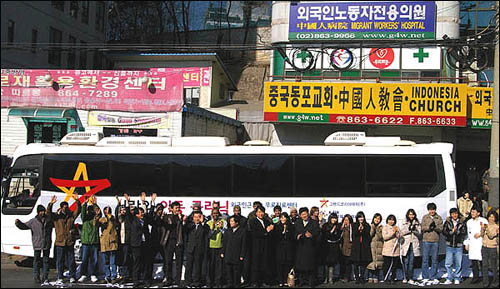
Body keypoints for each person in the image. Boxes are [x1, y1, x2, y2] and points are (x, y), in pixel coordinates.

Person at [15, 204, 53, 285]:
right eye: (41, 211)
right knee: (36, 261)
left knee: (46, 261)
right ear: (38, 212)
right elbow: (24, 226)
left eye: (43, 211)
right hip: (37, 244)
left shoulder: (48, 220)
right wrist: (18, 223)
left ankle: (45, 277)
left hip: (46, 243)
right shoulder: (33, 221)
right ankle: (37, 277)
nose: (42, 213)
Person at [48, 193, 81, 286]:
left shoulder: (70, 216)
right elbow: (49, 214)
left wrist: (77, 201)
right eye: (64, 207)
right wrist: (51, 204)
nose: (66, 209)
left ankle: (72, 276)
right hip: (60, 242)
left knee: (71, 260)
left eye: (67, 207)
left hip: (69, 241)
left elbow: (78, 211)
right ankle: (60, 277)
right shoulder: (56, 217)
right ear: (61, 208)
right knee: (60, 261)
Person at [125, 193, 152, 287]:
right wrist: (128, 202)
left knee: (145, 262)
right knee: (136, 263)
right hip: (136, 245)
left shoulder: (144, 220)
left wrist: (145, 202)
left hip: (145, 244)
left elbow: (150, 213)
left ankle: (146, 280)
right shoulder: (133, 220)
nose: (143, 214)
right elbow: (128, 213)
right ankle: (135, 280)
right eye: (141, 213)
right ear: (137, 214)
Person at [161, 201, 187, 287]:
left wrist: (182, 221)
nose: (177, 209)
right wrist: (161, 217)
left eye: (178, 208)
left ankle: (178, 280)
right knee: (168, 261)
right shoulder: (167, 217)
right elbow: (166, 226)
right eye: (176, 208)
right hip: (169, 241)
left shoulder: (182, 217)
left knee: (179, 262)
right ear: (171, 209)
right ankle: (169, 279)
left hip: (179, 241)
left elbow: (186, 229)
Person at [295, 207, 320, 288]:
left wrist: (312, 235)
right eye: (302, 214)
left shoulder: (314, 222)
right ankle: (302, 281)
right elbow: (295, 232)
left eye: (305, 214)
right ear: (300, 215)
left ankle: (311, 282)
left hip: (310, 247)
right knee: (301, 266)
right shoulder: (298, 222)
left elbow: (317, 233)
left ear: (308, 214)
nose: (304, 216)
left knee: (311, 266)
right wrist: (297, 236)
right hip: (301, 247)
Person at [79, 196, 102, 283]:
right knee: (84, 259)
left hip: (94, 242)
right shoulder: (85, 220)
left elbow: (99, 213)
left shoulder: (95, 220)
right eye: (89, 210)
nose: (90, 212)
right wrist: (85, 204)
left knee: (94, 260)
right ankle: (83, 274)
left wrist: (94, 204)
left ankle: (93, 274)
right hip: (86, 242)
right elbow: (83, 214)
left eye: (91, 210)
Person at [420, 202, 444, 286]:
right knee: (425, 260)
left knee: (434, 260)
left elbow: (441, 229)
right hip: (426, 240)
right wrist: (429, 227)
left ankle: (433, 277)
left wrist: (435, 228)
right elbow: (422, 227)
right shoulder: (425, 217)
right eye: (430, 210)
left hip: (435, 241)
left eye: (433, 209)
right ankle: (425, 277)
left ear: (435, 210)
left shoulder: (439, 218)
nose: (432, 211)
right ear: (428, 210)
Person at [248, 205, 272, 287]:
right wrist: (266, 231)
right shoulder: (252, 221)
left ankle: (264, 281)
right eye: (259, 212)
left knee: (264, 263)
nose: (260, 214)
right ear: (256, 213)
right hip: (256, 246)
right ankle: (255, 282)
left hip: (265, 246)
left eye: (262, 212)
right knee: (255, 264)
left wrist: (271, 228)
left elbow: (271, 232)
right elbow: (254, 233)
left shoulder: (267, 221)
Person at [442, 207, 467, 285]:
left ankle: (457, 277)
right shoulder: (447, 222)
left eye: (456, 213)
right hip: (449, 245)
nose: (454, 215)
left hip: (458, 245)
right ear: (451, 215)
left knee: (458, 263)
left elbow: (464, 232)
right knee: (448, 263)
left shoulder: (462, 222)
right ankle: (449, 277)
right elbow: (444, 231)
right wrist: (451, 232)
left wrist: (457, 231)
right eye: (453, 214)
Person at [222, 215, 247, 288]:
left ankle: (237, 284)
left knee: (237, 271)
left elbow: (244, 244)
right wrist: (222, 252)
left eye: (232, 221)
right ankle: (230, 284)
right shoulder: (228, 231)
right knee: (229, 270)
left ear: (237, 222)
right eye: (230, 221)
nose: (231, 223)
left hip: (237, 254)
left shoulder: (242, 231)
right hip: (228, 253)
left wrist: (242, 255)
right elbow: (225, 242)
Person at [184, 211, 208, 288]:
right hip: (190, 248)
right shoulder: (190, 225)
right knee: (189, 266)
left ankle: (196, 281)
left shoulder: (204, 226)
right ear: (193, 218)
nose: (197, 219)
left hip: (199, 248)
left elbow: (207, 232)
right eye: (195, 217)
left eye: (198, 217)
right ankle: (187, 281)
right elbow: (185, 229)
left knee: (198, 266)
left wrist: (202, 223)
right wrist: (184, 221)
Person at [465, 205, 488, 284]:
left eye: (474, 212)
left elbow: (487, 231)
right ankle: (475, 277)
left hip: (481, 243)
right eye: (472, 212)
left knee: (482, 262)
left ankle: (485, 278)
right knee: (474, 262)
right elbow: (468, 234)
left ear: (478, 213)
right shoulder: (469, 222)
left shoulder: (484, 220)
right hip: (472, 244)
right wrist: (467, 243)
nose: (472, 213)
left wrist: (480, 234)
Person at [399, 209, 421, 285]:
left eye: (413, 214)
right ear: (407, 215)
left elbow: (420, 233)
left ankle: (410, 277)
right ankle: (405, 277)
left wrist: (414, 230)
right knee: (406, 261)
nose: (411, 216)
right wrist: (409, 230)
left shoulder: (417, 222)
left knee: (411, 262)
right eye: (410, 214)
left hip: (414, 244)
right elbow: (401, 232)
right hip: (406, 243)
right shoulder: (404, 222)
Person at [274, 212, 295, 287]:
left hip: (288, 248)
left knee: (287, 264)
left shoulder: (291, 226)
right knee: (280, 264)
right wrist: (283, 231)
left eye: (284, 217)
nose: (283, 219)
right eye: (281, 217)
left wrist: (286, 231)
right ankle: (280, 280)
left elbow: (292, 237)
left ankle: (286, 280)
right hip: (279, 248)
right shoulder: (276, 226)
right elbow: (276, 237)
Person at [99, 205, 119, 284]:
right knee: (105, 262)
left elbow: (114, 222)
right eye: (106, 210)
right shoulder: (102, 219)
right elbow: (100, 223)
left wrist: (110, 215)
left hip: (112, 242)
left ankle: (114, 276)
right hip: (104, 243)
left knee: (113, 262)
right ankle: (107, 276)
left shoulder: (113, 219)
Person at [207, 208, 226, 288]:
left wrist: (221, 228)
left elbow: (226, 234)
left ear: (219, 214)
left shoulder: (223, 222)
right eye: (214, 213)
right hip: (210, 247)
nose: (215, 215)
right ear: (211, 214)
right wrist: (212, 228)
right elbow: (208, 236)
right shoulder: (208, 223)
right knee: (210, 266)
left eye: (217, 213)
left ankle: (218, 282)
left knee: (219, 267)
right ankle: (210, 283)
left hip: (219, 247)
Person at [115, 194, 132, 283]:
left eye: (124, 210)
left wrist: (128, 202)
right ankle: (120, 275)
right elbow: (116, 213)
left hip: (125, 241)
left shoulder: (127, 219)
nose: (123, 211)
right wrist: (118, 204)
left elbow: (128, 212)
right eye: (121, 210)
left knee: (125, 259)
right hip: (119, 242)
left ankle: (125, 275)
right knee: (119, 258)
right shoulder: (118, 220)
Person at [350, 211, 371, 284]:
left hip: (364, 247)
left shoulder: (367, 225)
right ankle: (357, 278)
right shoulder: (354, 225)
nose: (361, 219)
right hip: (356, 247)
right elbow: (353, 235)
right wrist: (358, 230)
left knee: (363, 263)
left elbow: (368, 236)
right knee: (356, 263)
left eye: (362, 217)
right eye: (359, 217)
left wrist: (363, 230)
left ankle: (362, 277)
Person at [322, 213, 342, 285]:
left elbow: (339, 236)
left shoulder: (338, 226)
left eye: (335, 218)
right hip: (327, 246)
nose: (334, 220)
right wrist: (331, 231)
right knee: (326, 263)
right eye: (333, 218)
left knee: (332, 263)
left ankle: (331, 278)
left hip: (334, 246)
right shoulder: (325, 225)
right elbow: (324, 235)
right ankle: (325, 278)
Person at [481, 210, 499, 288]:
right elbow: (482, 235)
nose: (491, 219)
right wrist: (482, 229)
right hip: (484, 247)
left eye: (493, 217)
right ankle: (485, 283)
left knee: (493, 266)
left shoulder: (497, 227)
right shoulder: (485, 225)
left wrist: (486, 229)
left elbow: (491, 236)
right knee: (484, 265)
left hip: (492, 248)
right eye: (490, 217)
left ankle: (495, 282)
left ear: (495, 218)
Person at [382, 215, 401, 284]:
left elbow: (400, 236)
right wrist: (393, 232)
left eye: (392, 220)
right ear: (387, 220)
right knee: (387, 265)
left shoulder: (396, 227)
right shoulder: (385, 227)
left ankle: (393, 278)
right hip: (387, 250)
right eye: (390, 220)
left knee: (394, 266)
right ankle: (386, 278)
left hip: (395, 249)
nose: (391, 221)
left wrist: (397, 232)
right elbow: (385, 237)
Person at [367, 213, 384, 284]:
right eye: (376, 218)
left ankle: (376, 276)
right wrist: (373, 228)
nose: (377, 220)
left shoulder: (381, 227)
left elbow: (382, 237)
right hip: (371, 246)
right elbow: (369, 235)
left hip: (379, 246)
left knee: (378, 262)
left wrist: (378, 230)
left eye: (378, 219)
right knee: (371, 261)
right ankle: (370, 276)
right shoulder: (370, 226)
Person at [340, 214, 353, 283]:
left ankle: (347, 277)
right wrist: (342, 228)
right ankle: (342, 276)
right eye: (345, 220)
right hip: (342, 248)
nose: (346, 221)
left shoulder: (351, 227)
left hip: (349, 248)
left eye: (347, 220)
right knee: (342, 263)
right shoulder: (341, 227)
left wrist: (347, 228)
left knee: (348, 263)